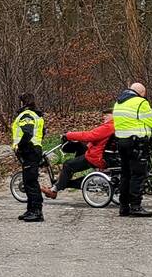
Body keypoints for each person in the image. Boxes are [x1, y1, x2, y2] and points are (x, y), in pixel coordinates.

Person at [41, 109, 115, 199]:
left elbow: (89, 135)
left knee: (68, 164)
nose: (104, 116)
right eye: (104, 115)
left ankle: (55, 189)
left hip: (96, 157)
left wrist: (69, 135)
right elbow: (99, 140)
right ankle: (63, 180)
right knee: (79, 146)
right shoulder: (115, 126)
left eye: (107, 115)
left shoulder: (109, 127)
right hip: (101, 153)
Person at [113, 82, 152, 218]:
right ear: (141, 93)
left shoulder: (118, 103)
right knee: (138, 175)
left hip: (121, 142)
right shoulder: (140, 103)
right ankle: (136, 206)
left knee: (125, 174)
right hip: (137, 143)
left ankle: (123, 207)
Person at [11, 93, 45, 222]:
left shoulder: (27, 115)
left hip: (29, 150)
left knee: (31, 182)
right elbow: (42, 133)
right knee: (27, 181)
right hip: (34, 149)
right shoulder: (36, 115)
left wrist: (21, 146)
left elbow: (28, 132)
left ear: (23, 103)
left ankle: (37, 212)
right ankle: (30, 209)